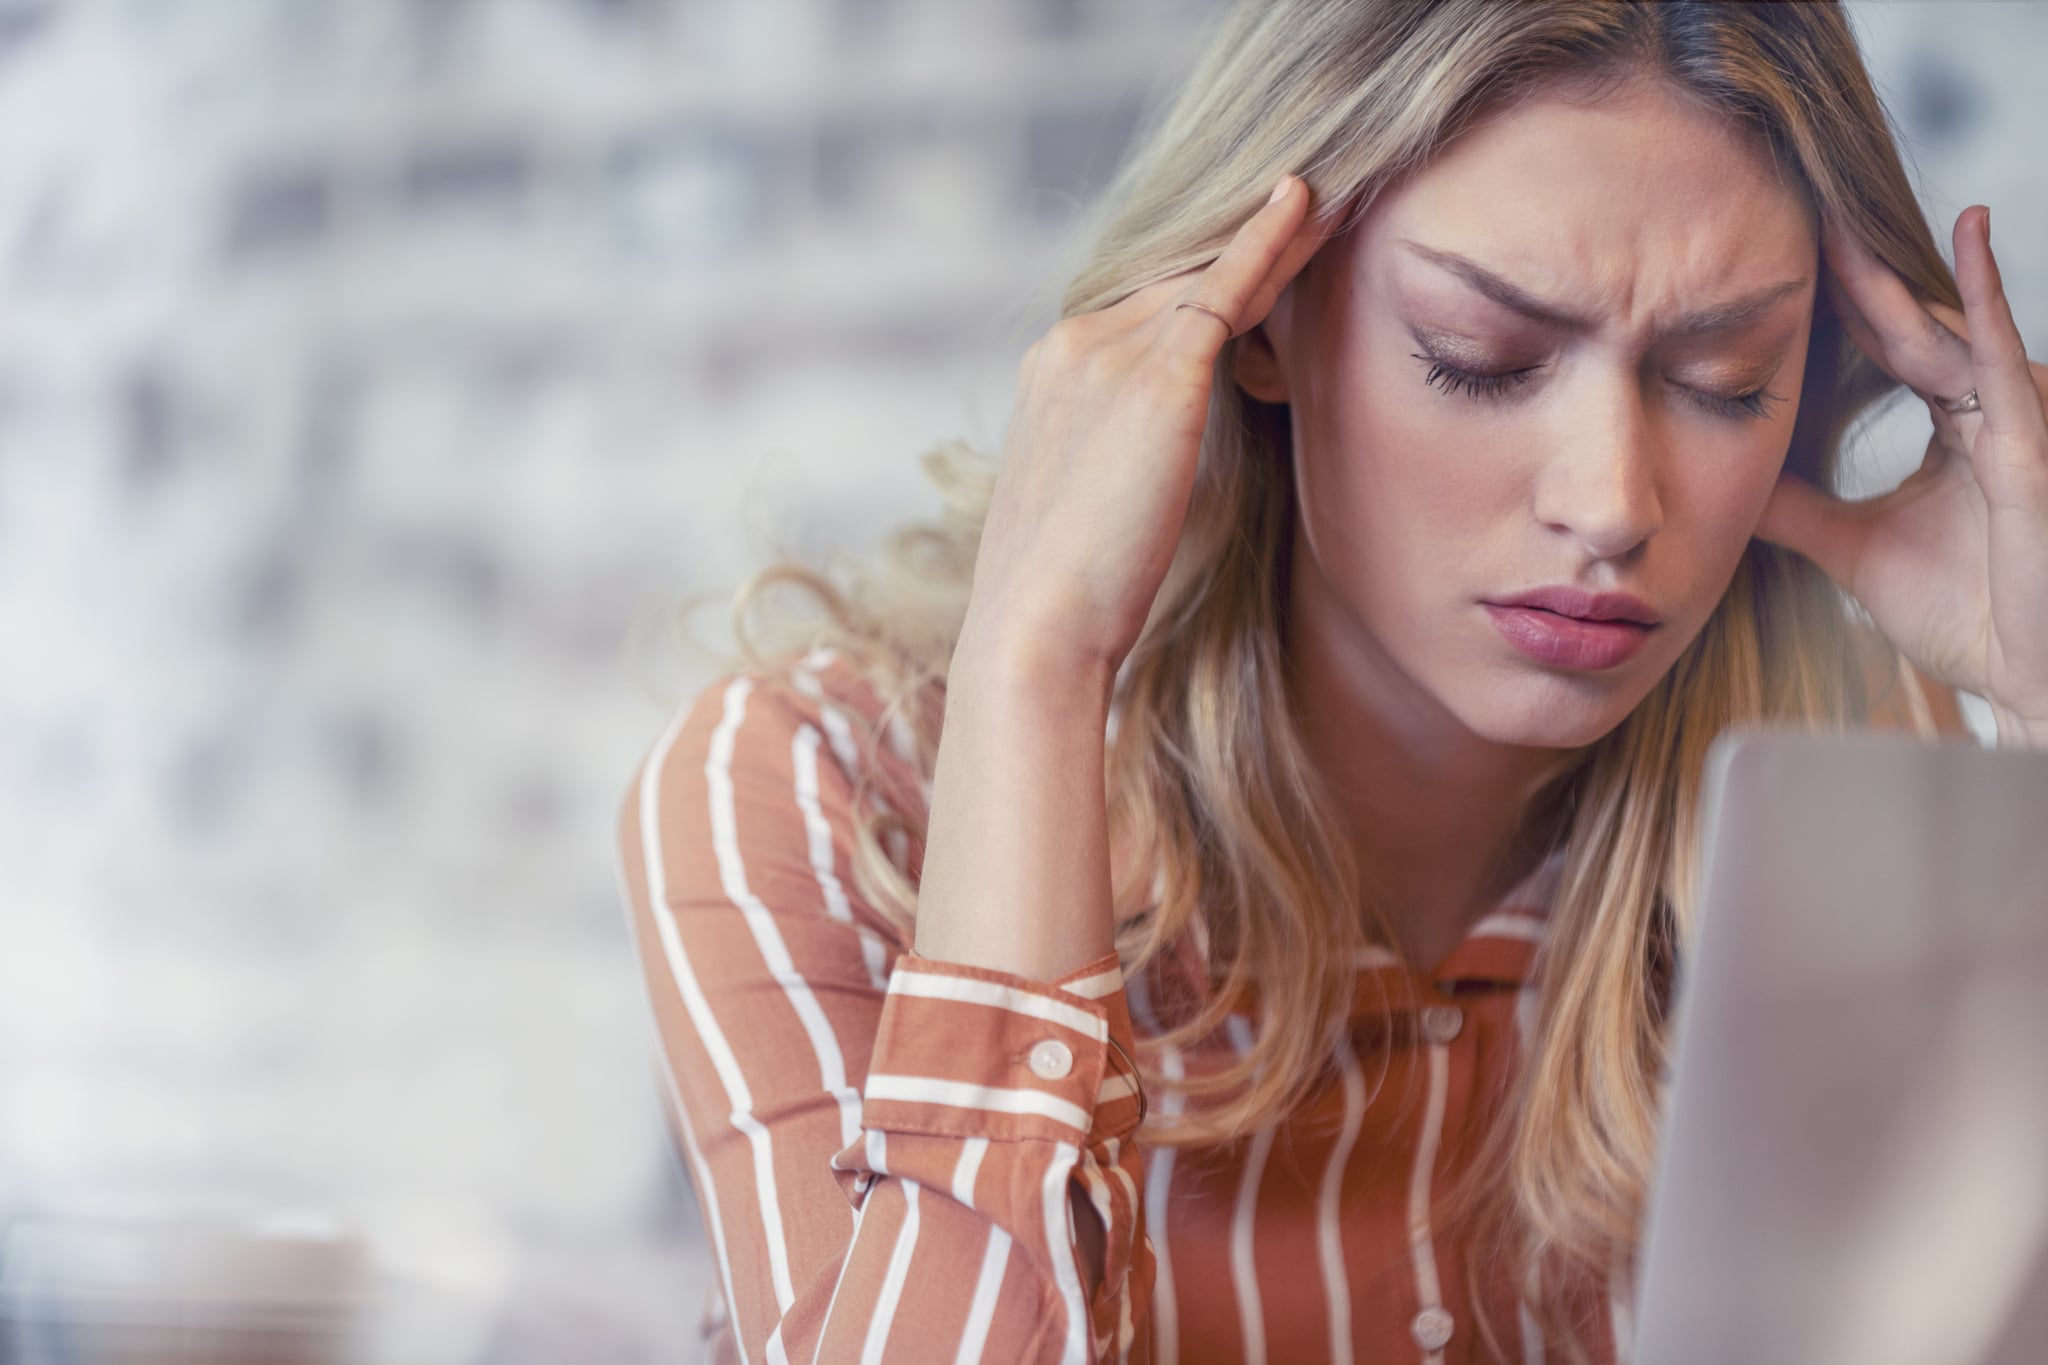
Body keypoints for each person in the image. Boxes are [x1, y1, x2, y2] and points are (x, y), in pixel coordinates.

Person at [614, 2, 2048, 1361]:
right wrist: (1040, 667)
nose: (1613, 502)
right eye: (1480, 360)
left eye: (1727, 377)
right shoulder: (826, 794)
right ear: (1255, 320)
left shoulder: (1841, 779)